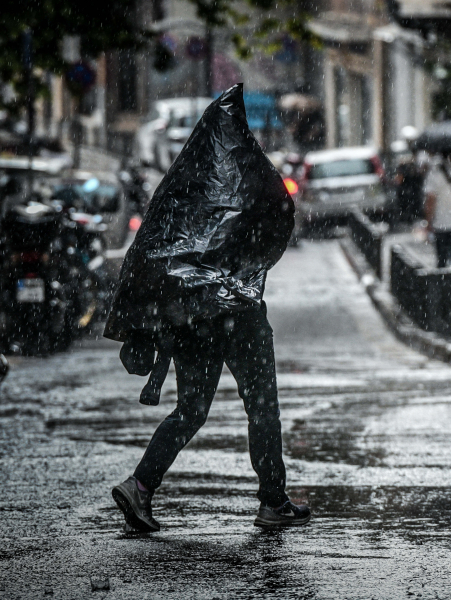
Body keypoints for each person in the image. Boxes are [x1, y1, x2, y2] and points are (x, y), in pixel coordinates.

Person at [106, 84, 309, 532]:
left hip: (191, 318)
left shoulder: (180, 187)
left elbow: (150, 253)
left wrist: (151, 319)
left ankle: (140, 485)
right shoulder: (246, 175)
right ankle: (273, 502)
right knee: (261, 405)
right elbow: (276, 217)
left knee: (191, 409)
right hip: (238, 312)